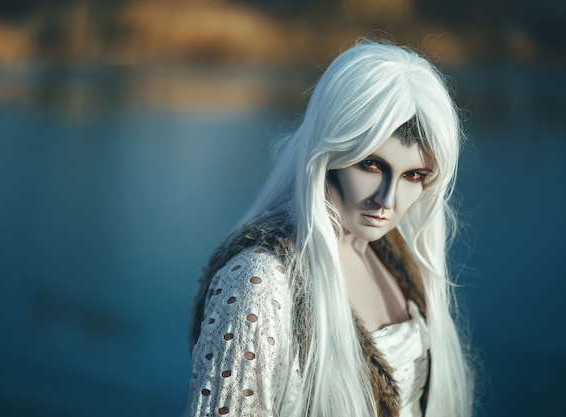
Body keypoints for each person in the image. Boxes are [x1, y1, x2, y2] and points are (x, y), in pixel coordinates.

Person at [187, 39, 474, 417]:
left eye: (413, 175)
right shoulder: (261, 281)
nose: (388, 200)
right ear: (332, 154)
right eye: (371, 165)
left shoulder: (393, 257)